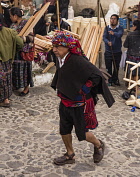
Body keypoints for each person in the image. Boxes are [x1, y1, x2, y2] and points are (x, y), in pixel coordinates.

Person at [51, 32, 115, 165]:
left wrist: (84, 89)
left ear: (68, 47)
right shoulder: (59, 57)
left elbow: (97, 75)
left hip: (78, 104)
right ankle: (70, 155)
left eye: (58, 46)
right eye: (53, 46)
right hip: (64, 101)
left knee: (82, 133)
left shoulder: (77, 60)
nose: (54, 49)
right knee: (64, 130)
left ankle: (98, 145)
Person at [0, 14, 23, 107]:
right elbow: (20, 43)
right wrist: (12, 50)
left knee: (2, 80)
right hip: (8, 60)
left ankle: (5, 100)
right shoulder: (10, 32)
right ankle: (6, 99)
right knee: (7, 79)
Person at [10, 7, 34, 96]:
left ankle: (26, 88)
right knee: (16, 70)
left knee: (26, 70)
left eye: (11, 16)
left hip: (25, 52)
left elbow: (32, 38)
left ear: (15, 16)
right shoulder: (13, 25)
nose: (10, 18)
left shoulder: (27, 24)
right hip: (15, 52)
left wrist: (22, 38)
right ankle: (16, 85)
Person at [103, 14, 124, 86]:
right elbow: (104, 37)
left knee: (116, 66)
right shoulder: (107, 28)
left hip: (117, 51)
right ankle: (109, 80)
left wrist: (113, 33)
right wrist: (107, 42)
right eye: (111, 19)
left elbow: (119, 35)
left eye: (114, 19)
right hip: (108, 51)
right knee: (108, 66)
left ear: (117, 20)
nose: (112, 20)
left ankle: (115, 79)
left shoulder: (120, 28)